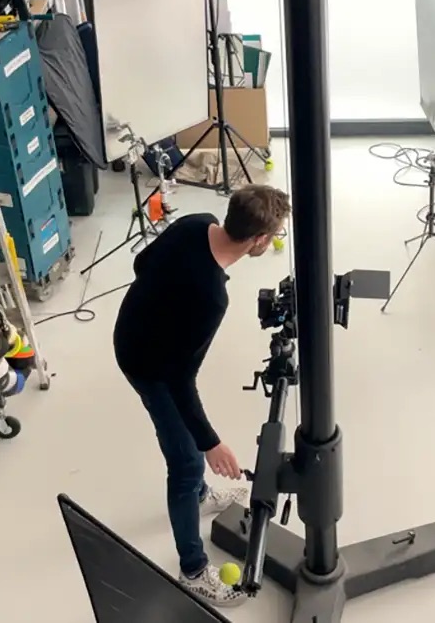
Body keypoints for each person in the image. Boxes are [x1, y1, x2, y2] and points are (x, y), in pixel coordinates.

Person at [113, 184, 292, 607]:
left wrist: (158, 306)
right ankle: (192, 569)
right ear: (258, 240)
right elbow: (178, 379)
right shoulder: (211, 296)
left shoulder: (196, 224)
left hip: (132, 329)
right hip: (146, 366)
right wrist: (211, 443)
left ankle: (200, 498)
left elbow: (143, 262)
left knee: (189, 455)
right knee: (187, 461)